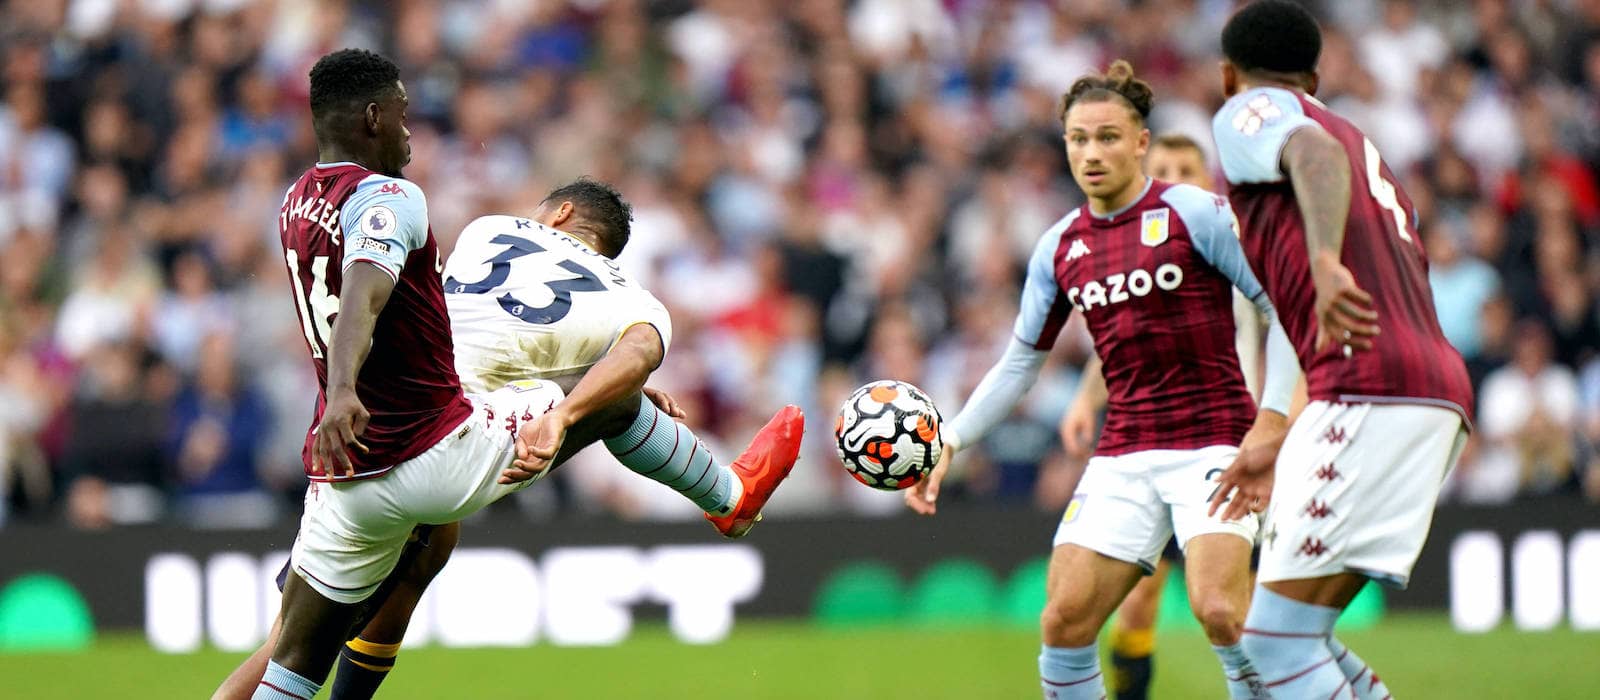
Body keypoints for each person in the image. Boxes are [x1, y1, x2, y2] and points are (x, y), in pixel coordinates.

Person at [220, 173, 803, 700]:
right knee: (607, 408)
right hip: (448, 441)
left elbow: (475, 325)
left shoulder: (488, 230)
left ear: (560, 211)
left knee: (296, 643)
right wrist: (574, 409)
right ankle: (729, 497)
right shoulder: (627, 295)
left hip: (369, 428)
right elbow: (636, 353)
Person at [908, 60, 1298, 700]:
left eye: (1108, 137)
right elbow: (1020, 363)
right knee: (1063, 621)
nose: (1091, 153)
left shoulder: (1194, 212)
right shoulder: (1059, 246)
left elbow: (1281, 308)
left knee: (1219, 611)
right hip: (1123, 452)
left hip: (1214, 442)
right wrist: (951, 438)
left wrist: (1273, 421)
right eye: (1078, 138)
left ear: (1141, 142)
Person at [1206, 3, 1474, 698]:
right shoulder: (1361, 142)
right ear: (1316, 79)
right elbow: (1302, 307)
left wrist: (1325, 260)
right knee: (1301, 632)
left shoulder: (1250, 114)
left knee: (1271, 646)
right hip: (1431, 388)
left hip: (1366, 387)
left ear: (1228, 76)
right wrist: (1274, 426)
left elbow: (1310, 153)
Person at [1057, 133, 1268, 700]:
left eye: (1185, 169)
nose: (1173, 178)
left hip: (1232, 446)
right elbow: (1123, 345)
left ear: (1207, 180)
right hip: (1155, 446)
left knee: (1235, 609)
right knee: (1136, 606)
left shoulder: (1229, 244)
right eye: (1163, 169)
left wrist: (1278, 422)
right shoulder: (1139, 253)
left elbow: (1285, 332)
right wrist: (1084, 399)